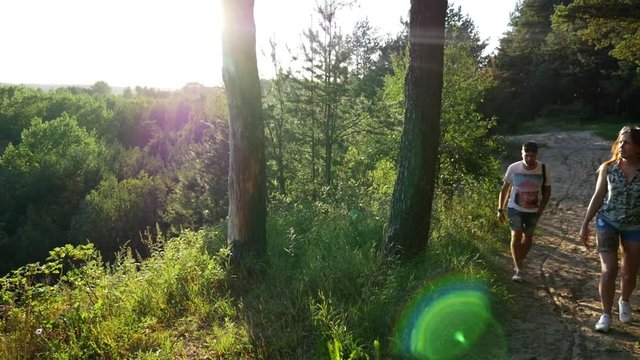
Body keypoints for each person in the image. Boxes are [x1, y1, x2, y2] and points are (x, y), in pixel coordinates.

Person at [579, 126, 640, 333]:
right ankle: (605, 315)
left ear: (638, 146)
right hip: (608, 222)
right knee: (609, 269)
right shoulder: (609, 167)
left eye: (628, 142)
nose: (621, 145)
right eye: (620, 141)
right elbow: (598, 196)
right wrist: (585, 223)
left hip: (635, 225)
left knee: (629, 272)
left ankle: (624, 300)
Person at [498, 141, 551, 283]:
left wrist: (541, 208)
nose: (529, 159)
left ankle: (518, 258)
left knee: (528, 237)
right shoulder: (513, 168)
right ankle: (519, 269)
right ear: (522, 154)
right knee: (516, 235)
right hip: (514, 208)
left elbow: (547, 190)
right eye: (526, 155)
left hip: (534, 210)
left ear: (536, 155)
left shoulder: (543, 169)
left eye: (532, 156)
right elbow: (505, 189)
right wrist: (500, 209)